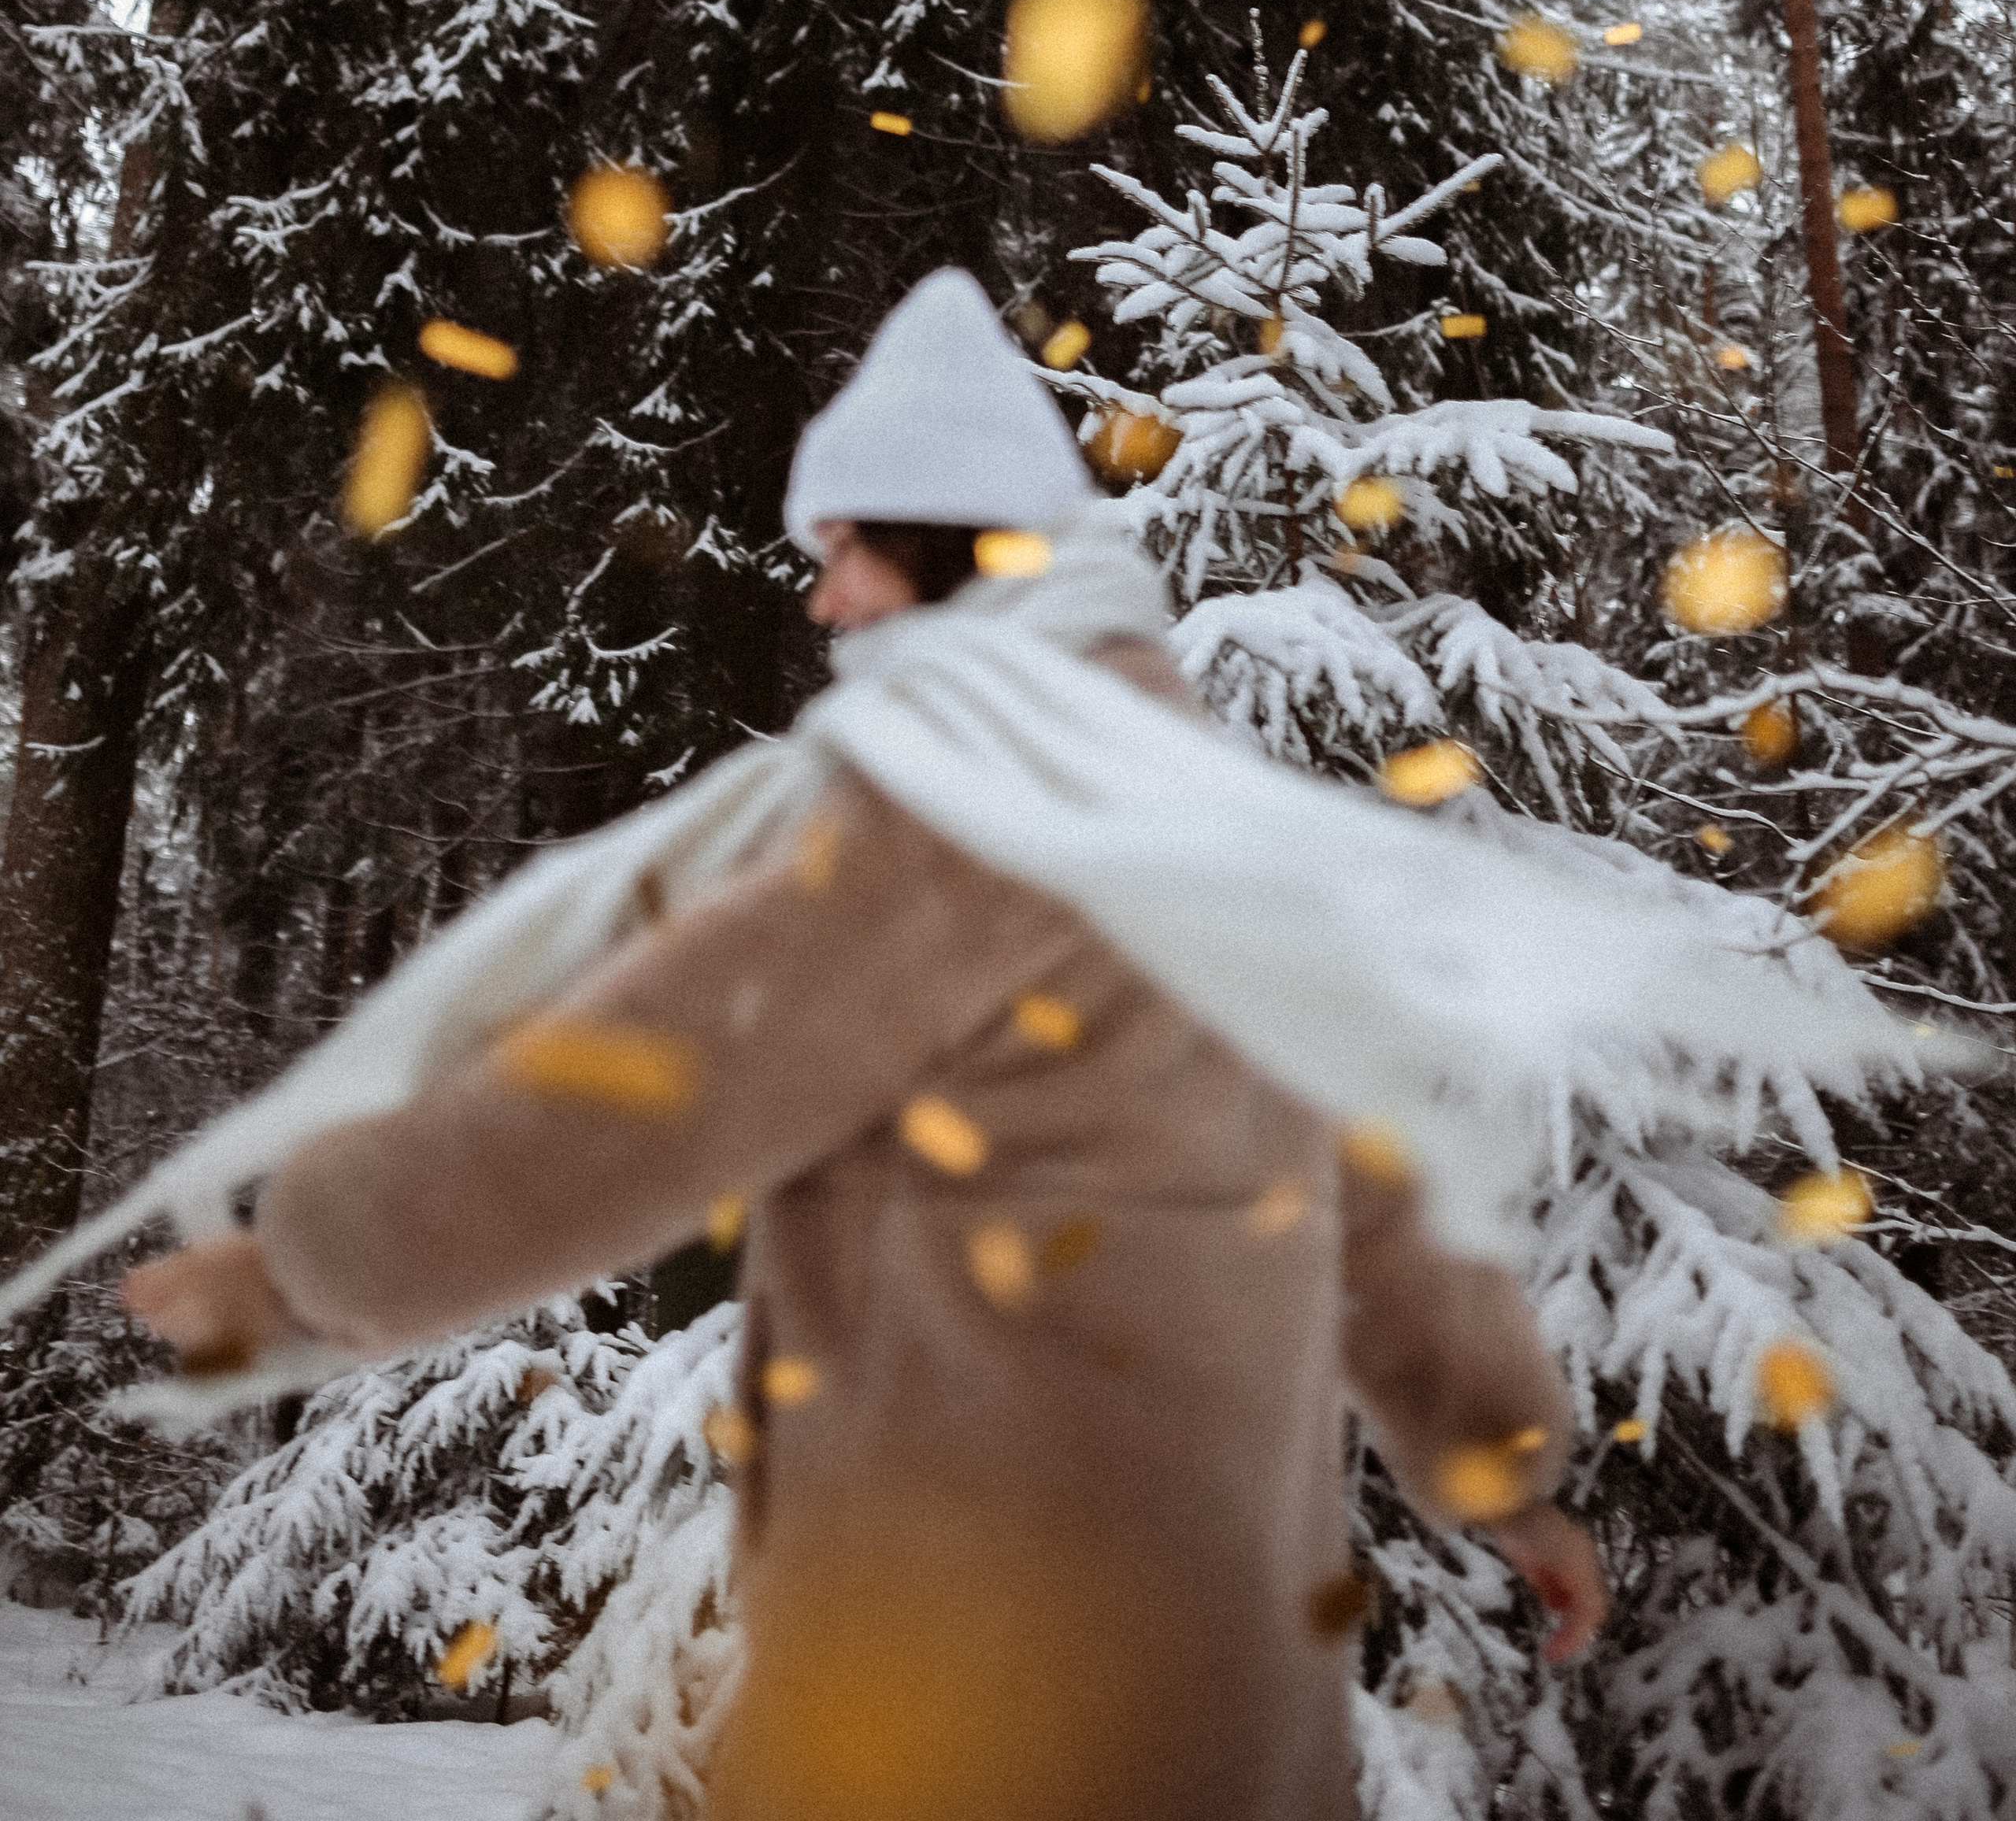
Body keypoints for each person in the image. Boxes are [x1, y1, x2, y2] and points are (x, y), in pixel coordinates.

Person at [120, 267, 1606, 1820]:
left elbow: (635, 1093)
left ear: (950, 559)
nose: (823, 604)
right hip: (1218, 1698)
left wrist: (307, 1266)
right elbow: (1388, 1208)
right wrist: (1506, 1469)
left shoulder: (959, 826)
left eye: (841, 557)